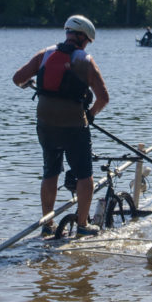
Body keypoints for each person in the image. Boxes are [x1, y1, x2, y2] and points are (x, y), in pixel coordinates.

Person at [13, 15, 109, 237]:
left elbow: (17, 78)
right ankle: (83, 225)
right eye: (87, 41)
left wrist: (28, 83)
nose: (86, 45)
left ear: (68, 33)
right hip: (74, 127)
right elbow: (103, 98)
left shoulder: (44, 54)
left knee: (51, 172)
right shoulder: (86, 61)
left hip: (46, 125)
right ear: (82, 38)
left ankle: (48, 224)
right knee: (84, 175)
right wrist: (90, 115)